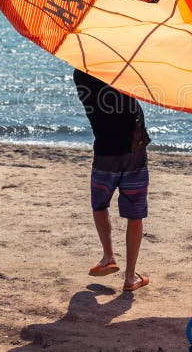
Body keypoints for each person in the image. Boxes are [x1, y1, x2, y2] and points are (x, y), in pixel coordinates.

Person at [73, 69, 151, 291]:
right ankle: (129, 278)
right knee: (135, 215)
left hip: (105, 153)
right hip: (133, 152)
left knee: (99, 205)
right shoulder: (119, 69)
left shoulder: (80, 75)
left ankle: (108, 256)